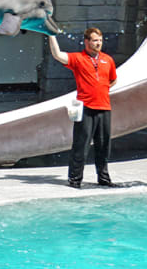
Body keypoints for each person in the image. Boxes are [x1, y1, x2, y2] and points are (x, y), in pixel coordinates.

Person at [49, 27, 117, 188]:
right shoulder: (78, 58)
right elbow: (57, 55)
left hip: (104, 107)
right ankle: (75, 179)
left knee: (103, 145)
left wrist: (100, 89)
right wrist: (50, 34)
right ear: (86, 41)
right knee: (81, 144)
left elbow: (113, 79)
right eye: (95, 40)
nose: (98, 43)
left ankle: (104, 179)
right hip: (85, 108)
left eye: (100, 40)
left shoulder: (108, 59)